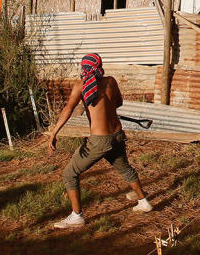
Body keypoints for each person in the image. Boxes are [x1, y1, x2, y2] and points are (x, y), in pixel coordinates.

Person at [48, 53, 152, 228]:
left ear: (85, 69)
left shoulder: (81, 85)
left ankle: (77, 216)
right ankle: (143, 202)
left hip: (100, 140)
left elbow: (67, 109)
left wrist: (53, 133)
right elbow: (118, 102)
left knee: (69, 174)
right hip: (117, 135)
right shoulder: (111, 81)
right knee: (125, 168)